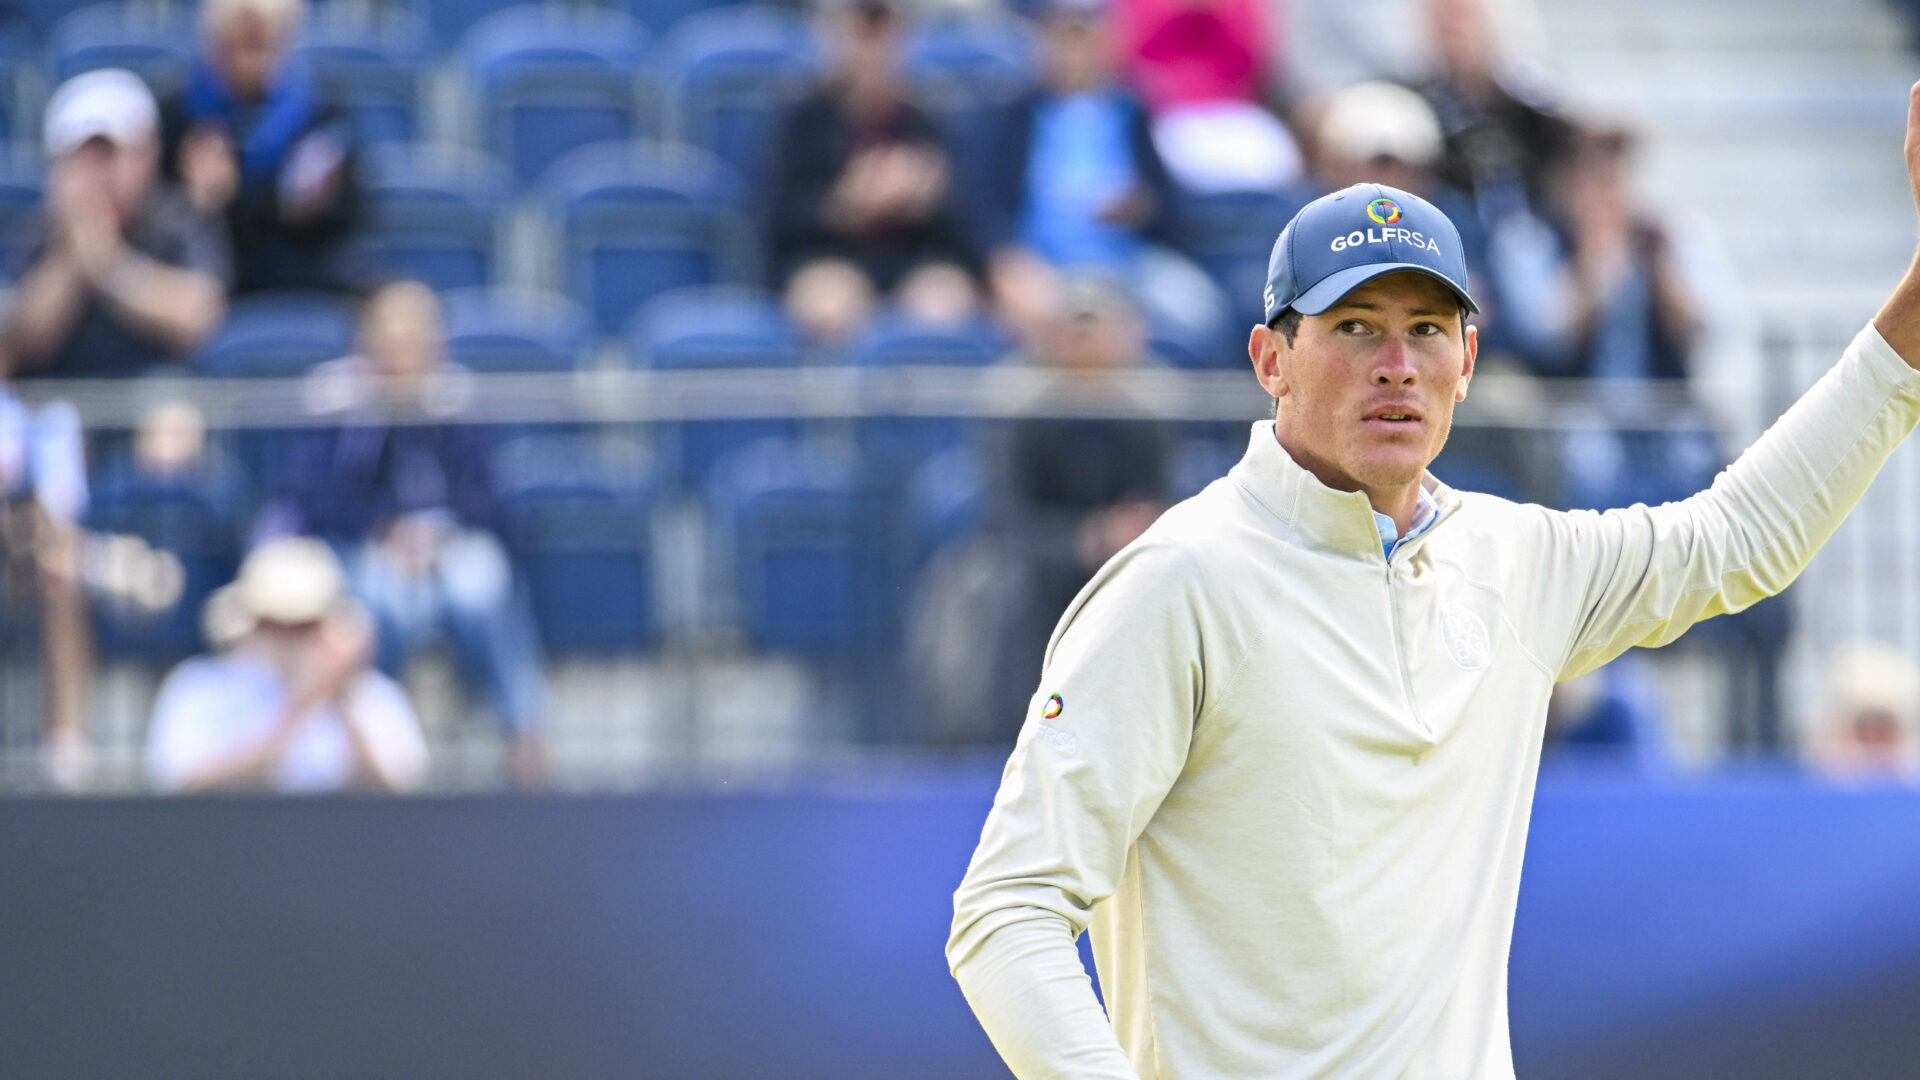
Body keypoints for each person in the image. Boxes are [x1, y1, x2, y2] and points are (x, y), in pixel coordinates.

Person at [946, 81, 1920, 1078]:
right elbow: (1006, 914)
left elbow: (1741, 535)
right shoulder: (1175, 583)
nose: (1396, 364)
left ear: (1468, 358)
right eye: (1355, 327)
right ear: (1269, 359)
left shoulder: (1514, 560)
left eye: (1425, 329)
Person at [275, 279, 547, 783]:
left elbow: (489, 504)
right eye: (391, 338)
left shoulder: (455, 398)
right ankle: (384, 749)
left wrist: (440, 537)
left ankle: (524, 738)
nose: (403, 353)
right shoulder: (336, 400)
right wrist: (383, 531)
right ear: (367, 342)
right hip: (367, 546)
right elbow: (315, 499)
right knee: (384, 605)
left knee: (483, 586)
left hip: (449, 545)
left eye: (414, 339)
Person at [145, 535, 428, 793]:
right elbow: (182, 786)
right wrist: (298, 709)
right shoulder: (199, 688)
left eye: (305, 626)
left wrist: (341, 698)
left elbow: (400, 796)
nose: (290, 639)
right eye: (277, 624)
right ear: (253, 624)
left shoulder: (372, 697)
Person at [770, 0, 976, 344]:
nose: (873, 47)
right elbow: (776, 218)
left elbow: (968, 222)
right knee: (831, 304)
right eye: (861, 32)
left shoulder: (927, 118)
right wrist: (845, 204)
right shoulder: (801, 119)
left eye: (883, 32)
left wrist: (926, 196)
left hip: (912, 259)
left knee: (942, 306)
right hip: (826, 257)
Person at [2, 68, 229, 379]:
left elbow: (197, 315)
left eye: (110, 155)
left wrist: (109, 266)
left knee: (173, 419)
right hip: (55, 398)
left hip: (152, 389)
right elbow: (19, 344)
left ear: (147, 155)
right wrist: (70, 255)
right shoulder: (37, 231)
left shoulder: (178, 220)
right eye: (85, 158)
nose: (101, 175)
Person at [162, 0, 364, 295]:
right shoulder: (179, 113)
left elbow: (352, 214)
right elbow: (153, 215)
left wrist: (314, 208)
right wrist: (194, 202)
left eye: (258, 45)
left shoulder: (321, 111)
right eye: (234, 46)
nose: (246, 61)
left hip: (303, 272)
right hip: (205, 276)